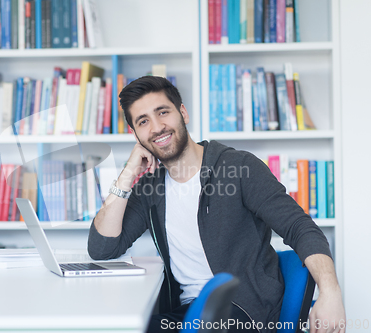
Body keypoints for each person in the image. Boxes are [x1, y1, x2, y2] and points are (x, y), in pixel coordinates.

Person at [87, 76, 345, 333]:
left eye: (162, 112)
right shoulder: (150, 187)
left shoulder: (238, 167)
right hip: (187, 313)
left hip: (245, 312)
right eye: (143, 121)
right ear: (135, 134)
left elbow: (299, 227)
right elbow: (102, 248)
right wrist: (127, 176)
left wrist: (330, 291)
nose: (157, 127)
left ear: (183, 113)